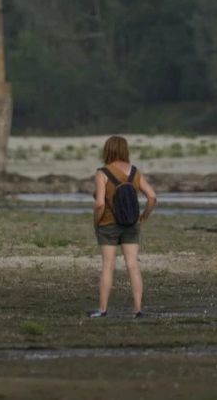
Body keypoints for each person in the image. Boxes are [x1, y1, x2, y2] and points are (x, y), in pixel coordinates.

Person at [89, 136, 157, 318]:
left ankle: (103, 310)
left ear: (107, 150)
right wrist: (143, 216)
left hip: (108, 225)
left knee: (108, 266)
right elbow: (152, 197)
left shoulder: (102, 173)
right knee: (133, 266)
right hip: (131, 224)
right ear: (125, 150)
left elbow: (100, 204)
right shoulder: (135, 172)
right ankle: (138, 309)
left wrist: (96, 221)